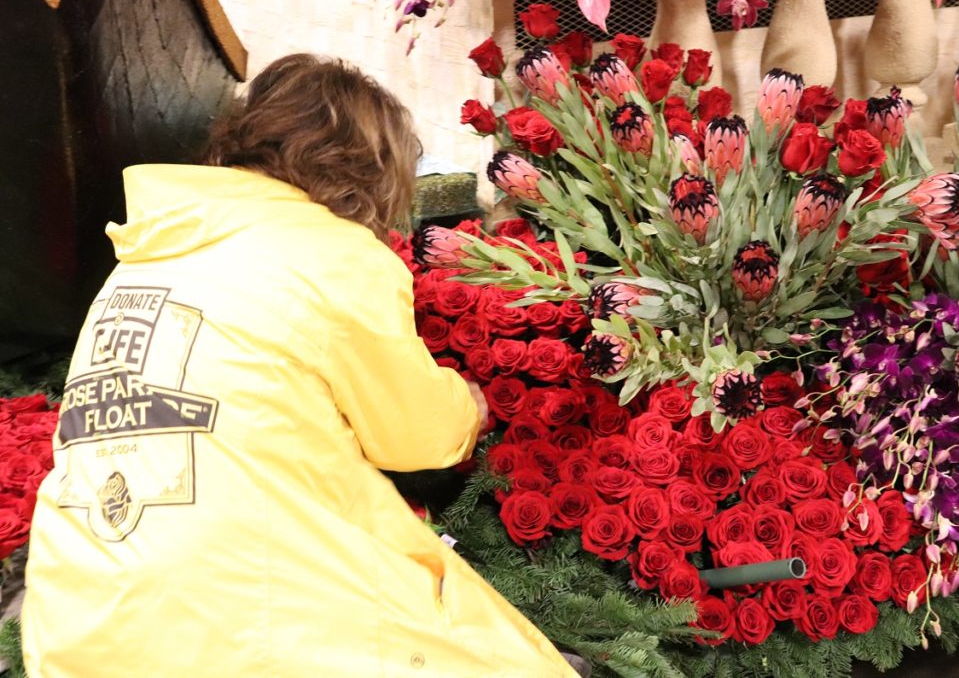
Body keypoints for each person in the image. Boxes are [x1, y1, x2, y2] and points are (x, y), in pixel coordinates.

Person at [21, 54, 577, 677]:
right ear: (366, 168)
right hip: (234, 613)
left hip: (78, 620)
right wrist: (464, 405)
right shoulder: (331, 251)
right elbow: (415, 437)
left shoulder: (142, 258)